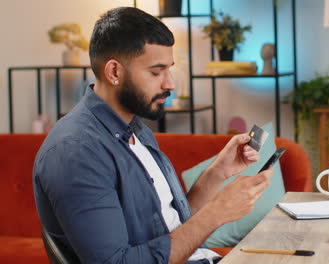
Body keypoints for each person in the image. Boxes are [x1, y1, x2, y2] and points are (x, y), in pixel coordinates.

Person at [33, 7, 273, 264]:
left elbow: (170, 226)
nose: (169, 84)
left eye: (169, 70)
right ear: (114, 72)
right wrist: (216, 214)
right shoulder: (77, 151)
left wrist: (218, 173)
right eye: (156, 72)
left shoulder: (137, 129)